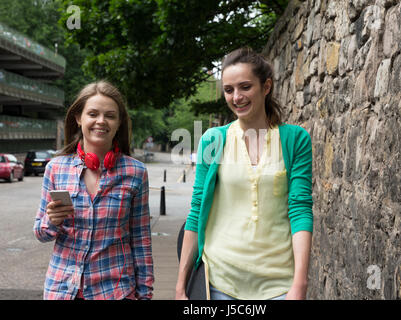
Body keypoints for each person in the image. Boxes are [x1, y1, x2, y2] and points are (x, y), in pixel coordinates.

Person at [175, 48, 314, 300]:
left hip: (279, 285)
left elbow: (300, 210)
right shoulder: (213, 140)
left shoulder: (295, 140)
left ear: (266, 86)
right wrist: (180, 286)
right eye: (229, 90)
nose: (236, 97)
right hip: (219, 283)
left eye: (245, 87)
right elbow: (196, 211)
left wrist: (300, 283)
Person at [34, 81, 154, 300]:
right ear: (79, 118)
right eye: (93, 114)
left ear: (118, 123)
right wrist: (52, 221)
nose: (101, 121)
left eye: (110, 115)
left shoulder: (136, 172)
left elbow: (141, 239)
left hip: (114, 291)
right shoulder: (55, 168)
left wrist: (145, 294)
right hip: (62, 290)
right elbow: (41, 233)